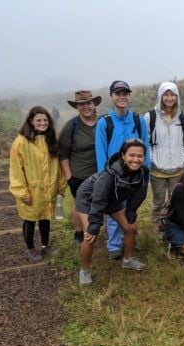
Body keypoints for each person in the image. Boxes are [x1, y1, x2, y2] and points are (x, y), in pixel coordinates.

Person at [76, 140, 149, 286]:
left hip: (112, 200)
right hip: (89, 198)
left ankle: (127, 260)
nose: (136, 159)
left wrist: (131, 212)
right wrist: (95, 224)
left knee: (131, 228)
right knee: (91, 236)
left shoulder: (143, 172)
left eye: (140, 156)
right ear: (123, 155)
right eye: (131, 155)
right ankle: (84, 271)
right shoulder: (109, 174)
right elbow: (98, 198)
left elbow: (140, 194)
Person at [95, 80, 150, 260]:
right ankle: (114, 245)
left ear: (129, 96)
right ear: (111, 97)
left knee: (131, 207)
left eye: (125, 93)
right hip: (113, 174)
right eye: (118, 94)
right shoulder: (105, 123)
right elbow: (101, 152)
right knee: (114, 209)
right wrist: (104, 178)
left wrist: (146, 173)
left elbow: (145, 147)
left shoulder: (138, 120)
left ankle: (130, 237)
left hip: (135, 174)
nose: (122, 97)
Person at [9, 106, 66, 261]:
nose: (42, 123)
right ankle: (30, 248)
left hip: (49, 187)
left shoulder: (51, 140)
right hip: (31, 190)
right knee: (30, 219)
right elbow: (16, 170)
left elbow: (58, 166)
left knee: (45, 217)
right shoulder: (21, 142)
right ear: (31, 121)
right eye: (39, 120)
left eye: (45, 120)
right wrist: (22, 192)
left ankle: (45, 245)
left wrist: (60, 186)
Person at [144, 81, 184, 227]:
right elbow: (145, 142)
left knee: (177, 202)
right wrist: (153, 160)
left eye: (173, 95)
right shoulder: (150, 117)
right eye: (166, 95)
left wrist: (183, 159)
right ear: (160, 96)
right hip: (157, 170)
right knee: (158, 203)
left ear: (177, 97)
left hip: (178, 170)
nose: (170, 98)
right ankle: (156, 232)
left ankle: (173, 230)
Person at [58, 90, 102, 245]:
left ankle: (97, 232)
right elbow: (63, 153)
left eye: (88, 103)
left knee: (101, 204)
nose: (86, 107)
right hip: (79, 175)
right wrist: (69, 177)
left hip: (101, 174)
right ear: (77, 107)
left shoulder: (103, 122)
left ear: (94, 104)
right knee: (80, 206)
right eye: (81, 104)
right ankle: (79, 233)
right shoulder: (72, 125)